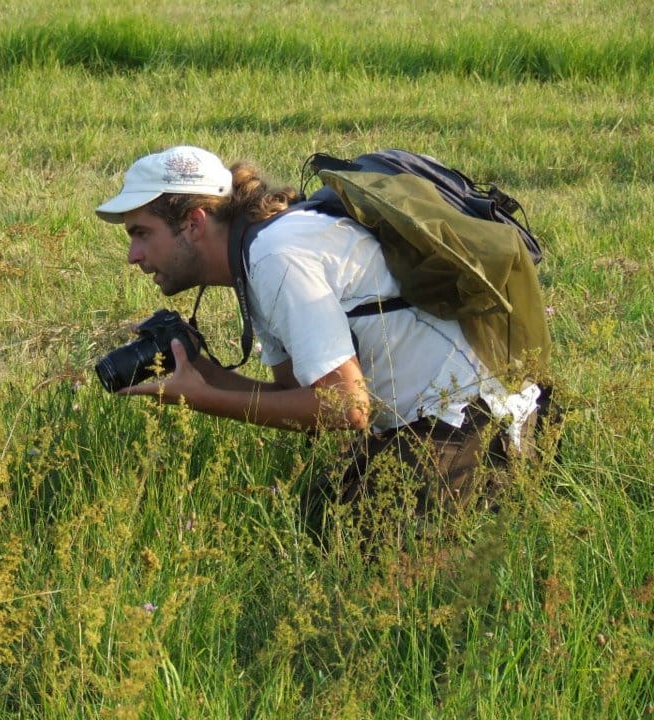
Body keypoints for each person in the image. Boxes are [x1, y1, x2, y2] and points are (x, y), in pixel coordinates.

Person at [94, 145, 547, 543]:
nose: (133, 256)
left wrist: (205, 399)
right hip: (476, 419)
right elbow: (304, 399)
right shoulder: (258, 252)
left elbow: (346, 408)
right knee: (315, 507)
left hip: (477, 429)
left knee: (345, 541)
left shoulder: (275, 257)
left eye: (141, 233)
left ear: (193, 223)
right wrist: (210, 377)